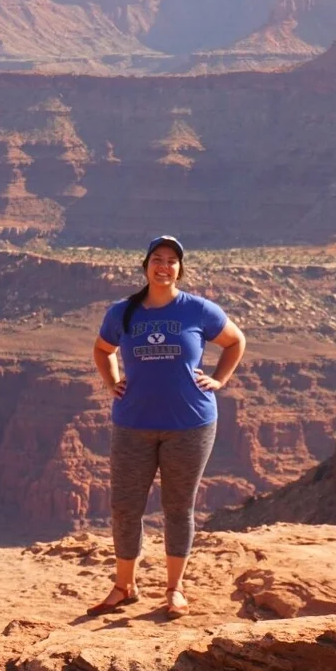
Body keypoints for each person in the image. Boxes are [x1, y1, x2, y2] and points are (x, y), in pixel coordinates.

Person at [88, 235, 245, 618]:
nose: (164, 266)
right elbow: (102, 349)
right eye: (157, 259)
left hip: (189, 424)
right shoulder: (122, 312)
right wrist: (111, 382)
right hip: (133, 423)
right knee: (125, 506)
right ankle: (124, 586)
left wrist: (219, 380)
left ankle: (174, 590)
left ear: (180, 268)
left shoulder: (199, 310)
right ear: (145, 266)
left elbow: (235, 341)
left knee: (178, 507)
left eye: (172, 260)